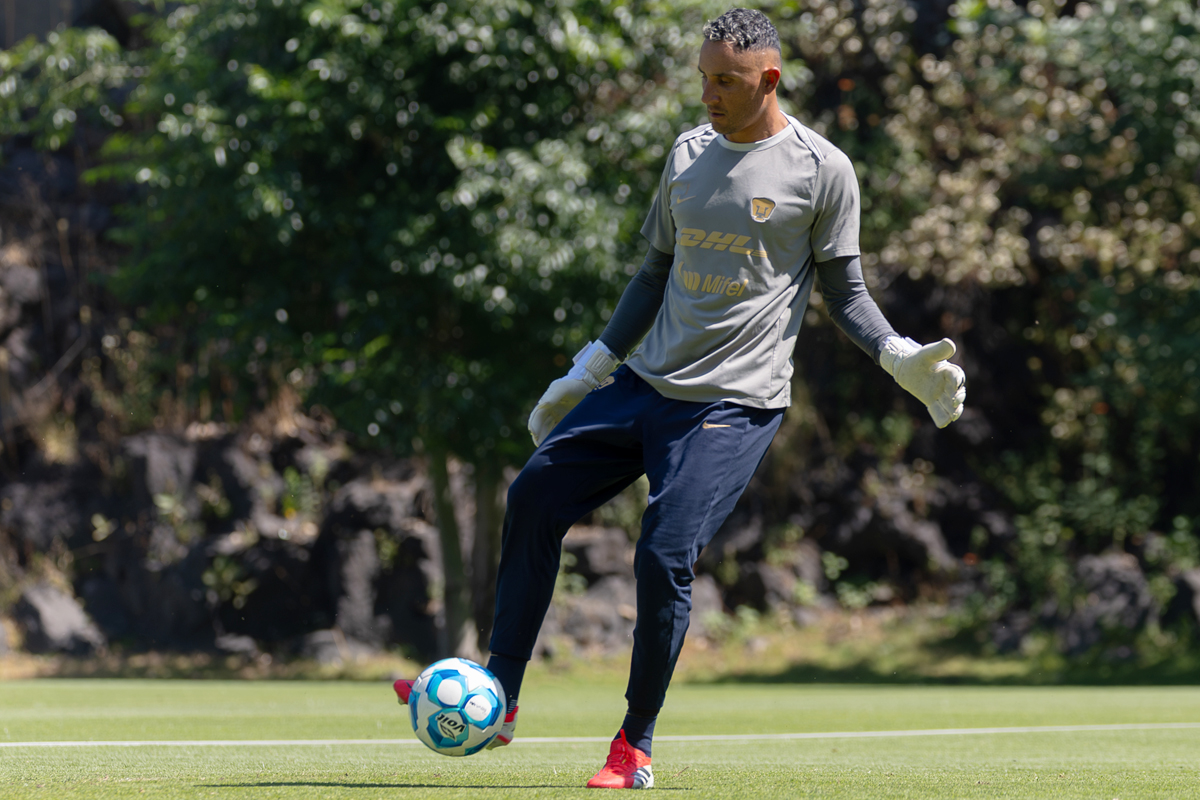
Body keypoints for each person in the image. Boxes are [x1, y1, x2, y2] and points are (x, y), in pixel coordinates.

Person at [397, 7, 965, 789]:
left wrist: (898, 356)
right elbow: (653, 274)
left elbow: (845, 292)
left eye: (726, 81)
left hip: (734, 404)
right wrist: (590, 368)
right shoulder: (688, 153)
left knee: (664, 552)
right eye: (704, 78)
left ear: (769, 79)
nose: (709, 95)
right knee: (531, 496)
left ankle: (634, 746)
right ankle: (500, 698)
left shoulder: (822, 170)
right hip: (645, 384)